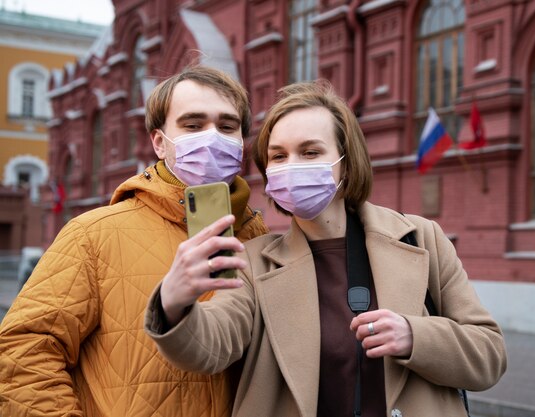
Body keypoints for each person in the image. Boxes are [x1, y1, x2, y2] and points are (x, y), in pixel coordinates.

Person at [144, 81, 507, 417]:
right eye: (279, 156)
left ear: (345, 164)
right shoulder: (254, 260)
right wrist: (173, 304)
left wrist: (415, 336)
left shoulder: (421, 237)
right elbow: (213, 346)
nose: (292, 166)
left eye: (310, 151)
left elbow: (489, 355)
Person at [0, 65, 268, 417]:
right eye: (192, 125)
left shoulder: (259, 238)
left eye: (227, 126)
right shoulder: (93, 233)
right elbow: (24, 352)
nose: (212, 136)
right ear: (159, 142)